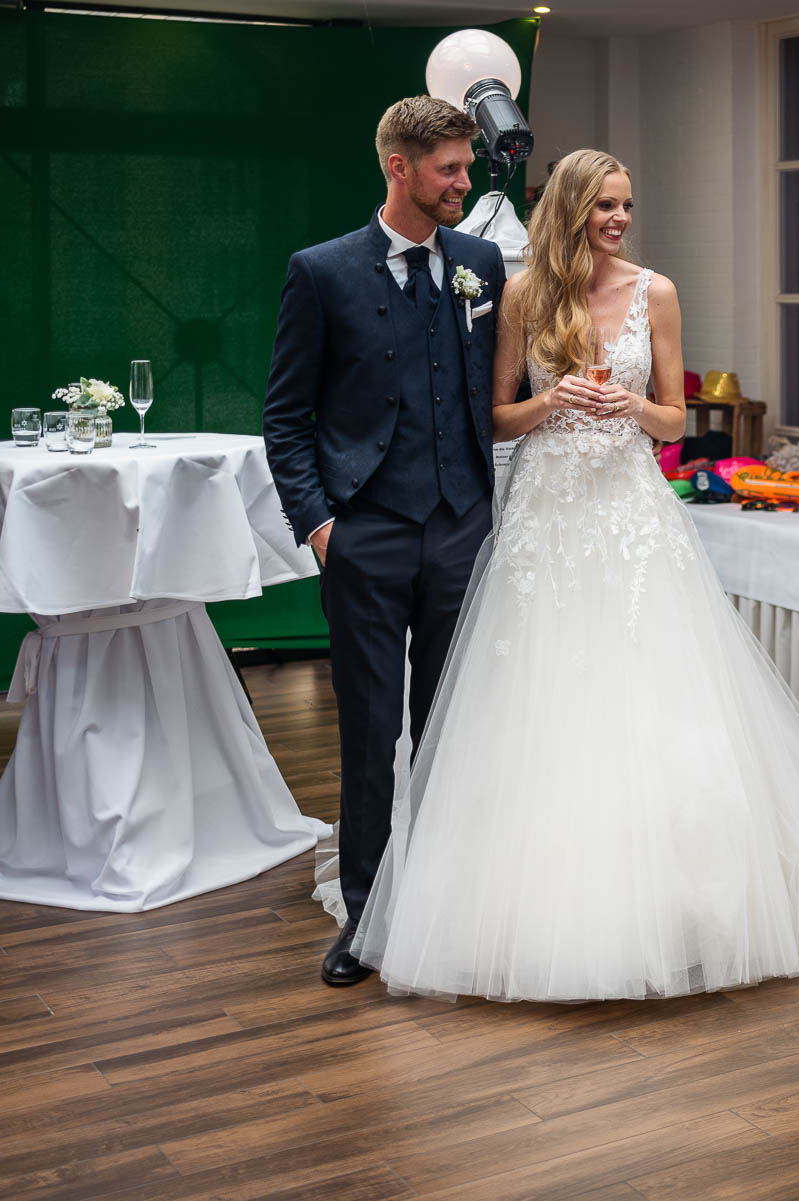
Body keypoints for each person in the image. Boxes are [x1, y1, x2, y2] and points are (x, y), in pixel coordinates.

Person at [344, 149, 799, 1002]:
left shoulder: (656, 292)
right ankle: (526, 904)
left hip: (633, 512)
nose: (620, 220)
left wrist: (631, 407)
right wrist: (555, 402)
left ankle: (679, 905)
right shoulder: (523, 295)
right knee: (540, 695)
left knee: (653, 690)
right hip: (547, 510)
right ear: (570, 208)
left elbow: (676, 417)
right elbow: (493, 416)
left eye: (628, 205)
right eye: (605, 206)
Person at [263, 97, 507, 987]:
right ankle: (365, 921)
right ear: (398, 167)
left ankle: (446, 907)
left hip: (459, 529)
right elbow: (284, 419)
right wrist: (323, 528)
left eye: (466, 166)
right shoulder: (321, 271)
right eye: (449, 168)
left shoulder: (481, 264)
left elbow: (491, 392)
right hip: (364, 535)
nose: (464, 182)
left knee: (451, 729)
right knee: (371, 735)